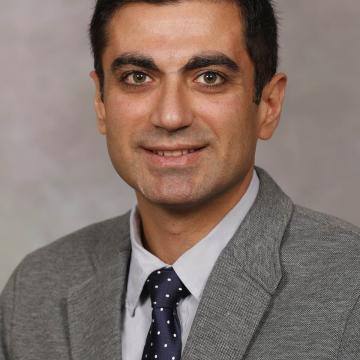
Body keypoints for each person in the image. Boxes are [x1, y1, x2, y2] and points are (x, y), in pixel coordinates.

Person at [1, 0, 360, 359]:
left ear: (269, 104)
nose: (170, 116)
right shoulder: (35, 291)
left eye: (210, 77)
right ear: (101, 102)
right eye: (137, 77)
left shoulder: (351, 285)